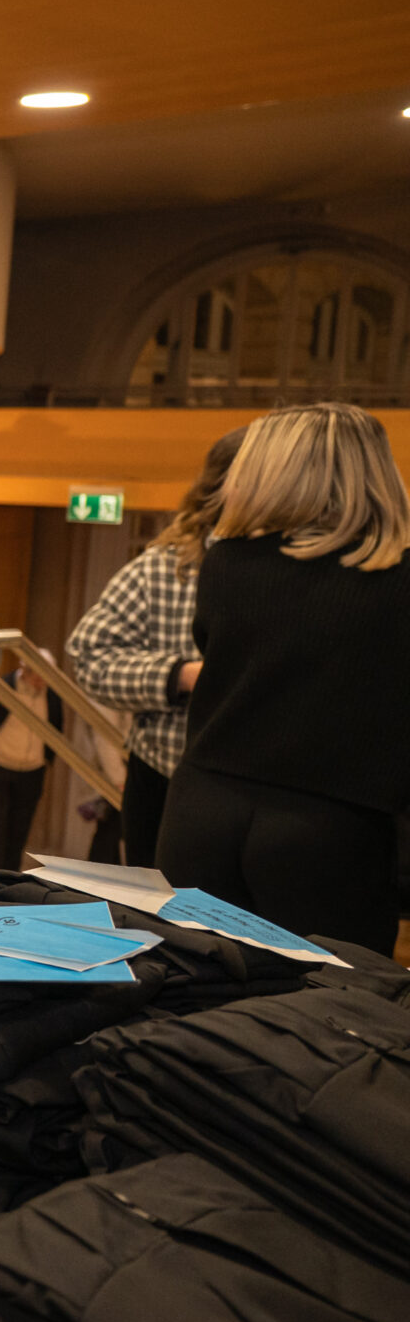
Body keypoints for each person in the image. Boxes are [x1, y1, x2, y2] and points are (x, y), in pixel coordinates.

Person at [157, 402, 410, 951]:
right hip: (331, 828)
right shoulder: (399, 581)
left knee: (190, 998)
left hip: (200, 811)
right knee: (318, 1018)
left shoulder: (227, 563)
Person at [65, 427, 245, 865]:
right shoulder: (167, 566)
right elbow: (87, 657)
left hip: (251, 785)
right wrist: (181, 675)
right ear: (223, 488)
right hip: (164, 777)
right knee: (158, 918)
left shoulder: (297, 570)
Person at [0, 667, 65, 871]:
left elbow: (56, 727)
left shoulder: (52, 695)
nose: (41, 682)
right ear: (26, 672)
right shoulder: (3, 686)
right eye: (38, 676)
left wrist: (46, 760)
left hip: (32, 770)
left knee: (19, 832)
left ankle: (10, 879)